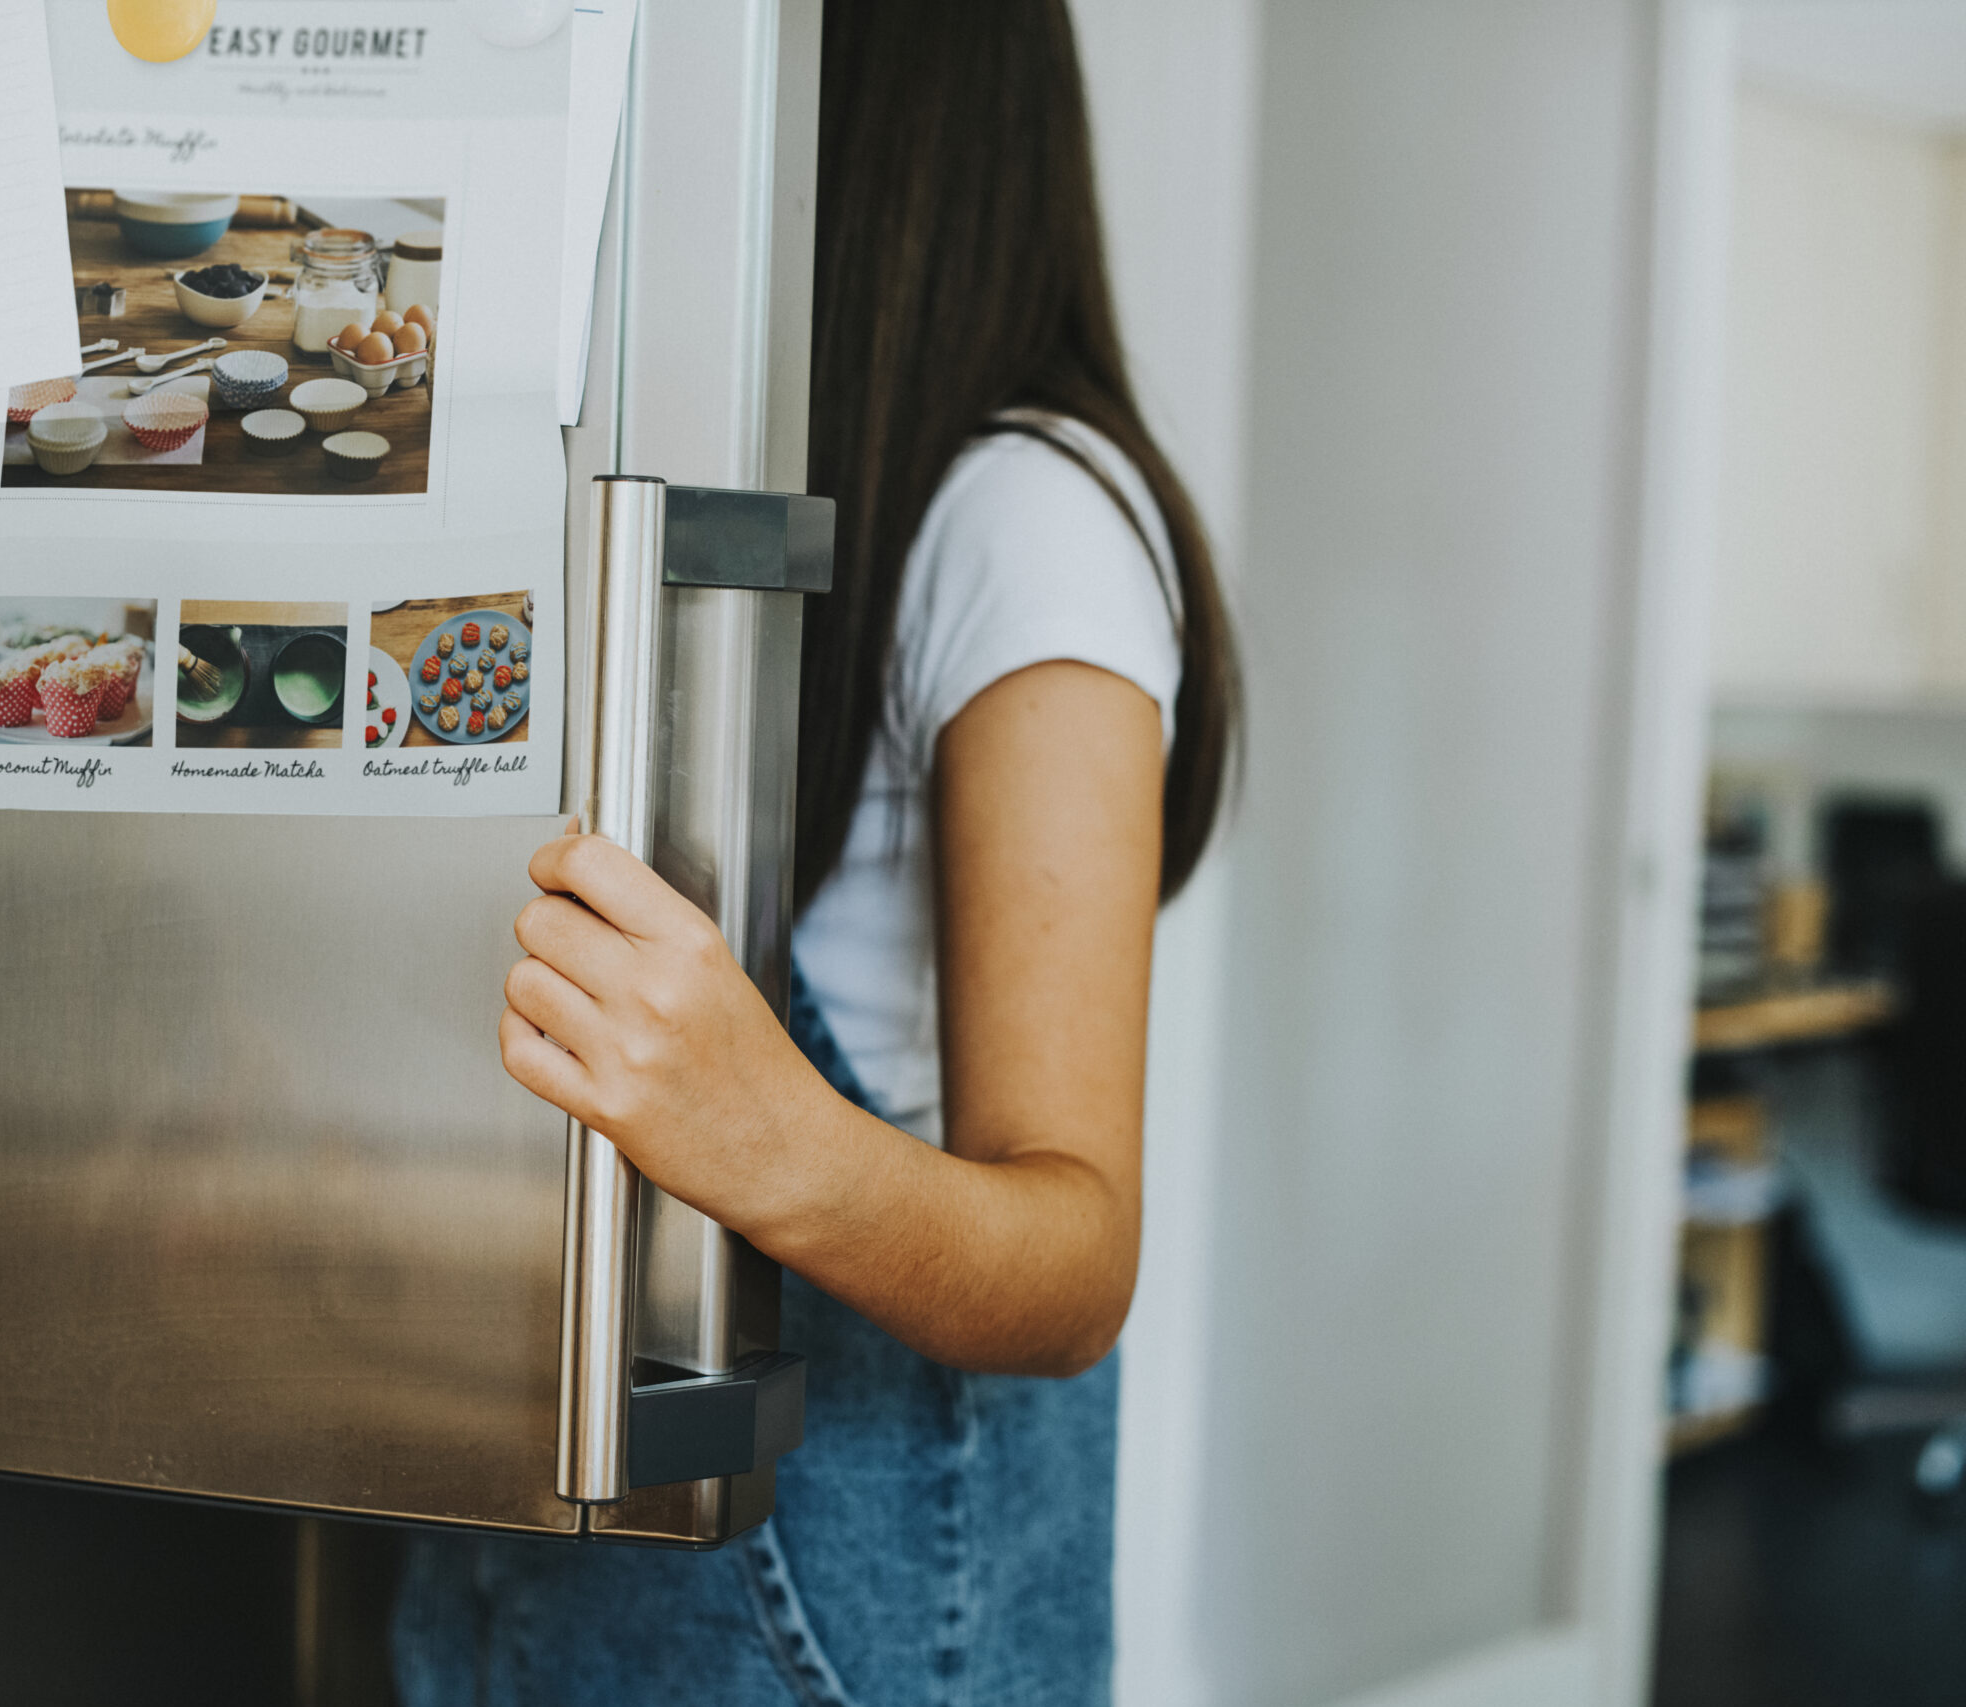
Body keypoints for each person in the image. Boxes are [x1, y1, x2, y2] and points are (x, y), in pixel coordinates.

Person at [393, 0, 1240, 1698]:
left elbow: (1077, 1263)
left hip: (834, 1627)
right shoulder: (692, 495)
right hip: (525, 1560)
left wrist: (761, 1131)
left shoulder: (1030, 520)